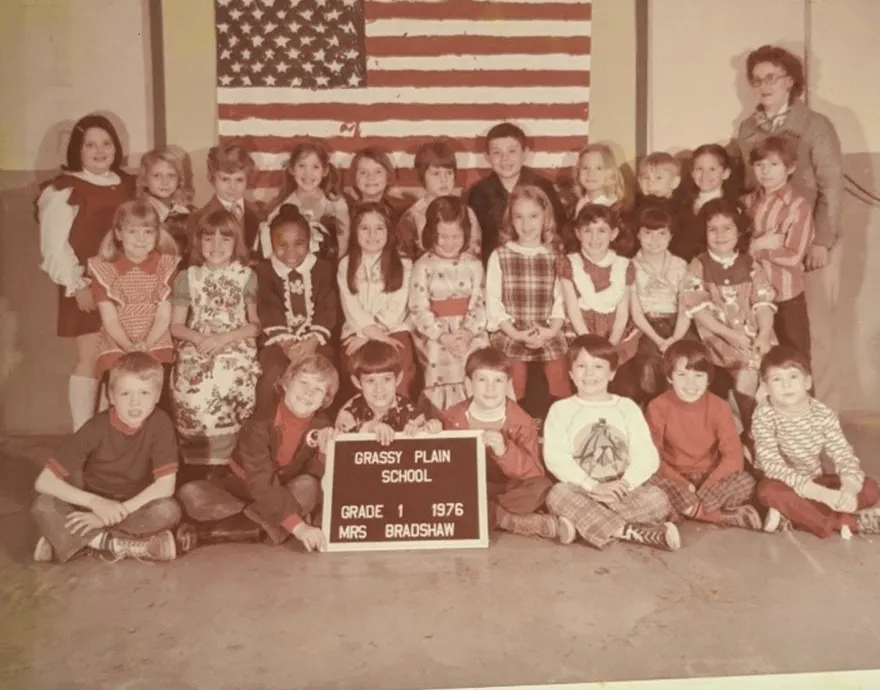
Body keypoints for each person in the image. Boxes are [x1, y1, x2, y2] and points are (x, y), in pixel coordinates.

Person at [736, 44, 845, 411]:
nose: (763, 85)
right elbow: (750, 186)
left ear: (790, 81)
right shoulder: (748, 128)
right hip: (763, 247)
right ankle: (767, 425)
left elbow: (831, 186)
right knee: (761, 338)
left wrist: (823, 241)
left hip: (803, 243)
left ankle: (809, 419)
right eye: (757, 79)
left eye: (772, 77)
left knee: (803, 340)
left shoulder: (815, 125)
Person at [176, 355, 340, 554]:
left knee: (308, 486)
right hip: (241, 490)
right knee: (191, 494)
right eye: (304, 382)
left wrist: (324, 454)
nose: (308, 393)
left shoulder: (322, 426)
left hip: (281, 491)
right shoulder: (258, 425)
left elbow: (314, 475)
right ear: (287, 384)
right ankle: (268, 527)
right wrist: (300, 527)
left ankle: (224, 531)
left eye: (318, 389)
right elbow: (260, 481)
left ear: (325, 399)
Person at [36, 114, 137, 430]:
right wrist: (76, 284)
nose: (99, 150)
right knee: (91, 356)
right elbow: (53, 247)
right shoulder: (64, 188)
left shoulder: (126, 183)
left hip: (124, 285)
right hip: (86, 283)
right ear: (77, 150)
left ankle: (110, 433)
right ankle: (83, 435)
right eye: (90, 144)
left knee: (116, 361)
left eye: (106, 143)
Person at [31, 353, 181, 563]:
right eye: (125, 393)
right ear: (111, 396)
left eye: (145, 392)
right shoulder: (94, 428)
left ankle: (78, 542)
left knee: (168, 510)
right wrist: (97, 504)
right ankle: (117, 545)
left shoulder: (161, 424)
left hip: (134, 507)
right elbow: (44, 481)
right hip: (92, 504)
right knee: (44, 505)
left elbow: (165, 486)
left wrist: (108, 516)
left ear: (157, 396)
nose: (135, 402)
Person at [543, 335, 679, 551]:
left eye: (598, 366)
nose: (588, 374)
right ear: (570, 372)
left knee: (658, 499)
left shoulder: (626, 407)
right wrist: (594, 486)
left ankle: (583, 525)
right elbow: (556, 459)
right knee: (557, 495)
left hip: (623, 490)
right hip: (584, 489)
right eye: (581, 366)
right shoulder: (561, 410)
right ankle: (632, 532)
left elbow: (645, 454)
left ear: (612, 373)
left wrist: (624, 485)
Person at [442, 348, 576, 543]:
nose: (490, 388)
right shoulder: (452, 416)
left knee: (542, 488)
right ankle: (512, 521)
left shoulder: (522, 421)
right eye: (482, 380)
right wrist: (433, 429)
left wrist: (505, 451)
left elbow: (534, 472)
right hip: (469, 486)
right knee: (445, 492)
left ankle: (487, 512)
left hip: (506, 489)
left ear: (508, 385)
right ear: (468, 384)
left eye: (498, 380)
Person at [753, 346, 880, 538]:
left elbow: (843, 453)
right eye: (777, 379)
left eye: (793, 377)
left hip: (814, 480)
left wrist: (849, 488)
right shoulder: (764, 414)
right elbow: (772, 466)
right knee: (768, 491)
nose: (786, 386)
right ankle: (845, 522)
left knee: (870, 486)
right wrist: (823, 495)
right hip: (782, 483)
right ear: (765, 386)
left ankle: (794, 515)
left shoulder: (822, 413)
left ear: (807, 382)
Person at [170, 208, 261, 467]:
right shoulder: (188, 277)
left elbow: (254, 325)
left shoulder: (246, 277)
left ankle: (232, 461)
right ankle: (198, 462)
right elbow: (177, 326)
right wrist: (199, 339)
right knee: (193, 380)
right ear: (198, 242)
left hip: (235, 342)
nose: (217, 245)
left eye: (225, 238)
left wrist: (224, 339)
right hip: (198, 341)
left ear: (236, 243)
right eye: (209, 238)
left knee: (232, 374)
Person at [680, 198, 776, 432]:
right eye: (712, 229)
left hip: (754, 335)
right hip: (719, 337)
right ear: (703, 233)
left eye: (727, 228)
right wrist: (730, 334)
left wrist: (763, 333)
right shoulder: (698, 265)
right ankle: (749, 434)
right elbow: (699, 311)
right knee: (746, 372)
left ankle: (758, 431)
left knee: (764, 374)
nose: (720, 234)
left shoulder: (750, 264)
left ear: (739, 230)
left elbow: (763, 303)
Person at [646, 340, 761, 529]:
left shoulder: (719, 406)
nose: (690, 384)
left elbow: (733, 456)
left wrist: (707, 487)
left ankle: (687, 510)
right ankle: (715, 516)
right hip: (674, 478)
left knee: (746, 482)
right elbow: (653, 457)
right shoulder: (658, 406)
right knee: (650, 480)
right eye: (682, 375)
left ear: (709, 379)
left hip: (711, 478)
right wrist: (683, 484)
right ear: (669, 377)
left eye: (698, 376)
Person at [87, 199, 180, 412]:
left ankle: (156, 436)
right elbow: (109, 319)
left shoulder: (167, 266)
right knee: (120, 385)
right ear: (118, 234)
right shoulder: (104, 269)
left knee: (159, 384)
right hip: (118, 341)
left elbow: (164, 316)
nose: (141, 239)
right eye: (132, 232)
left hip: (156, 339)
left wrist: (146, 344)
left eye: (148, 232)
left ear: (157, 234)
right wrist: (128, 347)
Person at [485, 185, 571, 412]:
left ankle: (560, 418)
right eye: (519, 217)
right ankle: (517, 417)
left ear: (546, 217)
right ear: (510, 220)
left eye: (534, 216)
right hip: (512, 330)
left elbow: (560, 300)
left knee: (558, 369)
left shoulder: (554, 255)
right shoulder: (500, 255)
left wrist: (551, 331)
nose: (526, 225)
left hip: (546, 329)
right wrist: (516, 333)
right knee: (515, 372)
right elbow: (494, 302)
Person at [253, 204, 338, 408]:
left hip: (315, 341)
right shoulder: (264, 273)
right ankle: (269, 421)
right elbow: (268, 308)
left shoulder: (323, 269)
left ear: (309, 241)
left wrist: (312, 342)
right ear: (270, 243)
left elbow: (327, 305)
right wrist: (287, 345)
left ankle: (320, 420)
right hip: (279, 343)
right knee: (273, 370)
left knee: (324, 372)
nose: (291, 251)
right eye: (282, 244)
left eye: (299, 243)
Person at [408, 196, 489, 411]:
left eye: (456, 236)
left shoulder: (473, 264)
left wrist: (468, 332)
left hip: (469, 332)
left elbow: (480, 302)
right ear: (431, 234)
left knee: (477, 363)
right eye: (442, 236)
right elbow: (418, 308)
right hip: (436, 335)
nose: (449, 242)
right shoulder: (423, 266)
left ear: (466, 235)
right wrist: (442, 336)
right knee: (436, 362)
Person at [742, 135, 814, 359]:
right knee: (756, 355)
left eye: (774, 164)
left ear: (790, 168)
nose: (766, 171)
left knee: (794, 356)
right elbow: (735, 246)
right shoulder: (746, 202)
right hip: (751, 293)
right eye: (759, 165)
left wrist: (756, 249)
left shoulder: (798, 206)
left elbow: (793, 256)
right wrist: (758, 243)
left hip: (785, 293)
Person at [559, 203, 640, 401]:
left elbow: (622, 313)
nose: (594, 238)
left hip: (615, 336)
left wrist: (610, 347)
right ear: (578, 234)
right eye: (588, 231)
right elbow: (572, 309)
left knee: (624, 387)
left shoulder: (624, 266)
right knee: (579, 381)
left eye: (601, 230)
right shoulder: (569, 263)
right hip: (580, 333)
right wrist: (590, 346)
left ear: (613, 234)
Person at [337, 202, 416, 398]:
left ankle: (399, 412)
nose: (372, 235)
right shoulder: (347, 264)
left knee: (400, 364)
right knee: (355, 367)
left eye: (379, 228)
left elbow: (398, 306)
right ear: (355, 231)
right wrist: (365, 331)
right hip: (356, 330)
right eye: (365, 228)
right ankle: (361, 418)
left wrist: (369, 335)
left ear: (390, 231)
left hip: (393, 330)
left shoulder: (404, 264)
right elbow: (350, 305)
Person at [466, 122, 566, 264]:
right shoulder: (478, 194)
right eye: (497, 152)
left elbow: (560, 230)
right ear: (487, 156)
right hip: (495, 270)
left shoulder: (542, 187)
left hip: (539, 264)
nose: (504, 158)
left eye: (512, 151)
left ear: (525, 153)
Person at [629, 207, 692, 402]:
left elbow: (685, 308)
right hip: (646, 326)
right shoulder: (631, 266)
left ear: (670, 236)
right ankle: (654, 413)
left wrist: (675, 338)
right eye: (648, 233)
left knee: (687, 362)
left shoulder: (681, 265)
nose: (654, 240)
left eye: (661, 234)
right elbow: (636, 312)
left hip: (677, 325)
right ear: (638, 234)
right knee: (649, 366)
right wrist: (658, 340)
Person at [257, 138, 349, 261]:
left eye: (315, 167)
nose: (307, 173)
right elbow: (270, 247)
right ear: (291, 169)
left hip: (328, 267)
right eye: (301, 166)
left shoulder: (336, 204)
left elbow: (343, 243)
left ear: (325, 171)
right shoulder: (282, 206)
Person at [335, 340, 439, 441]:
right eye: (370, 381)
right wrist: (371, 427)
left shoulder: (410, 412)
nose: (379, 388)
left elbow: (423, 446)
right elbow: (340, 447)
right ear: (357, 382)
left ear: (398, 379)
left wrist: (429, 430)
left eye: (387, 379)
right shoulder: (349, 412)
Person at [397, 139, 482, 258]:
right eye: (436, 173)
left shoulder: (467, 213)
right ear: (422, 177)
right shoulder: (411, 217)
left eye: (449, 173)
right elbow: (404, 259)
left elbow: (475, 253)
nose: (444, 180)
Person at [189, 144, 262, 261]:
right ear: (212, 179)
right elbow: (196, 261)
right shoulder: (199, 218)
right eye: (225, 179)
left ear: (248, 180)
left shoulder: (260, 213)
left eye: (239, 180)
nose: (232, 187)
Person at [675, 144, 739, 263]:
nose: (705, 175)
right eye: (699, 169)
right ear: (692, 172)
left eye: (712, 169)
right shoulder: (681, 204)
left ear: (725, 173)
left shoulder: (734, 206)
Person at [138, 147, 194, 260]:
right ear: (144, 180)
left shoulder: (188, 213)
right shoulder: (140, 214)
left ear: (179, 180)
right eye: (157, 176)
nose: (165, 182)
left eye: (171, 175)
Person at [626, 152, 683, 259]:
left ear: (675, 182)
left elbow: (685, 245)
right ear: (639, 181)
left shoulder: (681, 212)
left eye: (658, 178)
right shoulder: (635, 211)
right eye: (646, 178)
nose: (650, 183)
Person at [345, 146, 413, 229]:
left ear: (388, 176)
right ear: (354, 177)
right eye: (363, 172)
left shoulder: (403, 212)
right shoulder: (345, 213)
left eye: (378, 172)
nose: (371, 177)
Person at [564, 143, 626, 219]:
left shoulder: (617, 210)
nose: (591, 173)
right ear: (578, 171)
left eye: (599, 168)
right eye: (585, 168)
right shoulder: (573, 207)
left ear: (610, 172)